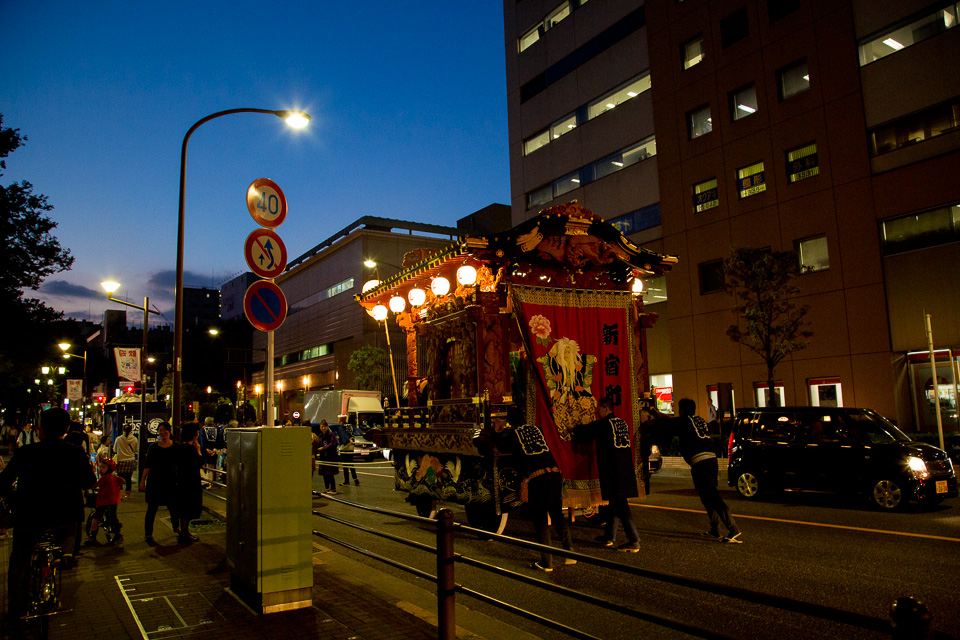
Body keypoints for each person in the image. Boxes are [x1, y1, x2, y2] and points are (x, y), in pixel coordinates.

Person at [0, 408, 96, 617]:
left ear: (40, 429)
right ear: (66, 429)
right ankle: (67, 554)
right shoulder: (75, 452)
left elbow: (4, 481)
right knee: (69, 531)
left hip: (29, 515)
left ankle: (16, 608)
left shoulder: (25, 452)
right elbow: (89, 481)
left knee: (20, 558)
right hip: (65, 513)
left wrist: (12, 497)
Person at [495, 406, 575, 572]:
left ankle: (547, 562)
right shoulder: (537, 429)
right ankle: (570, 554)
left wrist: (497, 429)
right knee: (557, 515)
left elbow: (501, 446)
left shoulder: (511, 433)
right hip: (554, 473)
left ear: (510, 420)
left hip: (538, 479)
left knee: (540, 520)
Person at [667, 398, 742, 544]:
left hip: (702, 462)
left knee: (712, 495)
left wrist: (656, 416)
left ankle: (733, 528)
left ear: (682, 410)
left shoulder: (685, 421)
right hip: (709, 460)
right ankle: (715, 528)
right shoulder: (699, 420)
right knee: (705, 496)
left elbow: (669, 422)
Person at [573, 397, 642, 552]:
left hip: (614, 471)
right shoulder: (622, 423)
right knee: (615, 503)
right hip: (625, 468)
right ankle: (609, 536)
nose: (597, 411)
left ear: (605, 408)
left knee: (621, 506)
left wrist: (573, 429)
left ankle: (634, 540)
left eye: (599, 408)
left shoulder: (605, 424)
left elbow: (586, 430)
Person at [139, 421, 179, 545]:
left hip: (171, 482)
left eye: (165, 430)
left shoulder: (176, 447)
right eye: (160, 430)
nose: (163, 433)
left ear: (169, 431)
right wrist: (142, 481)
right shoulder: (154, 448)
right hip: (155, 482)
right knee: (151, 509)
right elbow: (147, 465)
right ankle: (148, 534)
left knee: (173, 507)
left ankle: (176, 527)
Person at [174, 423, 202, 543]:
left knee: (183, 508)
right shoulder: (191, 449)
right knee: (189, 508)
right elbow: (199, 462)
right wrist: (198, 450)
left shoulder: (180, 448)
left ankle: (183, 530)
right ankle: (185, 533)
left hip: (182, 481)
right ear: (194, 434)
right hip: (191, 482)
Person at [85, 458, 123, 545]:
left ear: (109, 469)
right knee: (113, 516)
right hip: (113, 501)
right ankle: (117, 533)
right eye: (100, 467)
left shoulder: (105, 478)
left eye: (103, 467)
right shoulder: (114, 477)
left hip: (103, 501)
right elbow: (122, 480)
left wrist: (88, 488)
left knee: (96, 517)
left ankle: (92, 536)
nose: (101, 469)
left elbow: (95, 485)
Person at [115, 424, 139, 498]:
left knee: (120, 479)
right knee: (128, 479)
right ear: (131, 430)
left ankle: (120, 494)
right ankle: (127, 495)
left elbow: (114, 449)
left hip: (121, 460)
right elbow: (135, 450)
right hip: (130, 460)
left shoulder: (118, 439)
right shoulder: (134, 439)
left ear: (123, 430)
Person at [337, 415, 361, 486]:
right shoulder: (350, 426)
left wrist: (347, 440)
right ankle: (355, 479)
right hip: (351, 447)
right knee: (351, 463)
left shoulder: (341, 427)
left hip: (345, 448)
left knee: (345, 465)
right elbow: (356, 432)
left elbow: (343, 435)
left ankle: (346, 481)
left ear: (340, 419)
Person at [317, 420, 340, 494]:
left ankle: (333, 489)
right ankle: (327, 488)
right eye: (321, 427)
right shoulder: (320, 435)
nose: (323, 428)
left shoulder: (331, 434)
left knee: (330, 473)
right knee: (324, 473)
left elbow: (333, 444)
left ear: (327, 427)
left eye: (324, 427)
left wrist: (323, 448)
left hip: (330, 457)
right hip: (323, 457)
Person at [198, 417, 223, 483]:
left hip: (204, 451)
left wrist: (206, 449)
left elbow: (201, 440)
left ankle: (205, 481)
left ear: (205, 422)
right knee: (211, 467)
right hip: (213, 451)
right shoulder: (216, 430)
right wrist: (214, 449)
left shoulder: (202, 430)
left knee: (202, 466)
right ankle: (210, 481)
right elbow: (219, 440)